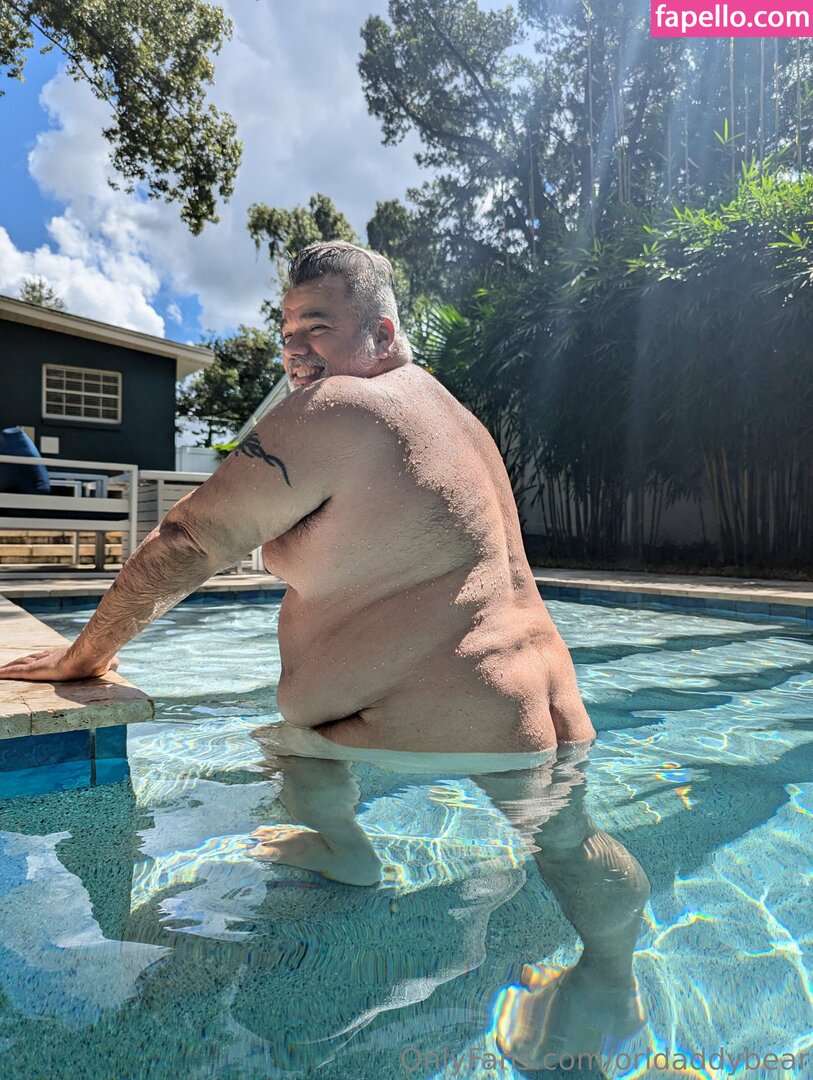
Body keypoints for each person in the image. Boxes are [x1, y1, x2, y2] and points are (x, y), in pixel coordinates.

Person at [0, 241, 595, 757]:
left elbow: (190, 541)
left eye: (317, 327)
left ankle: (328, 835)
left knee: (280, 773)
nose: (296, 350)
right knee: (571, 844)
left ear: (382, 334)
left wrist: (84, 657)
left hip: (438, 727)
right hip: (552, 713)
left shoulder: (343, 405)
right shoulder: (462, 423)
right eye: (287, 335)